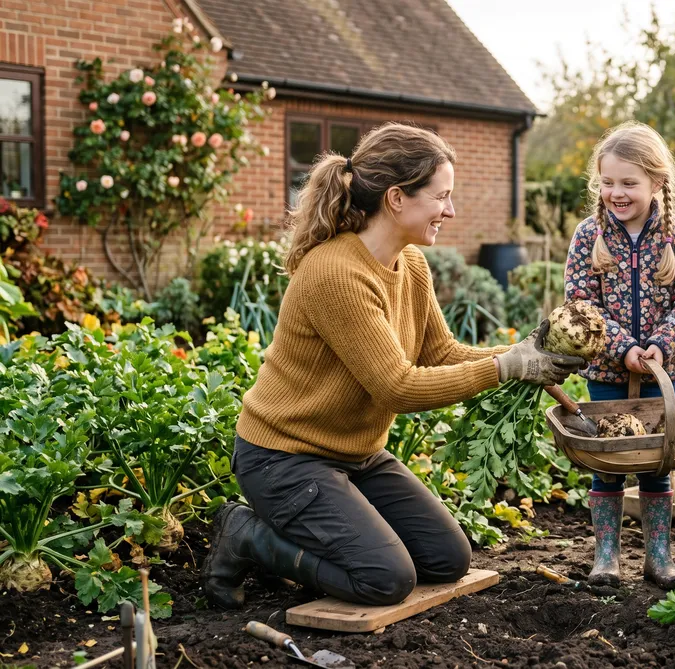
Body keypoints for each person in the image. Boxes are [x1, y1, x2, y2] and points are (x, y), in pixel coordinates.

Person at [201, 122, 585, 609]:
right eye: (441, 197)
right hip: (284, 459)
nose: (450, 210)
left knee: (447, 559)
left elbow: (441, 354)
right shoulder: (336, 273)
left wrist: (526, 354)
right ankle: (247, 536)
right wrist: (508, 368)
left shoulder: (411, 263)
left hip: (356, 454)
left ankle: (308, 538)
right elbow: (397, 388)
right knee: (384, 579)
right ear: (397, 198)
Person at [564, 120, 675, 589]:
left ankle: (659, 558)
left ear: (657, 183)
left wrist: (661, 346)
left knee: (656, 462)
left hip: (660, 376)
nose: (617, 192)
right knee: (609, 462)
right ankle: (606, 557)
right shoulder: (588, 237)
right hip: (606, 375)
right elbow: (581, 305)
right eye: (608, 182)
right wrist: (623, 347)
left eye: (629, 182)